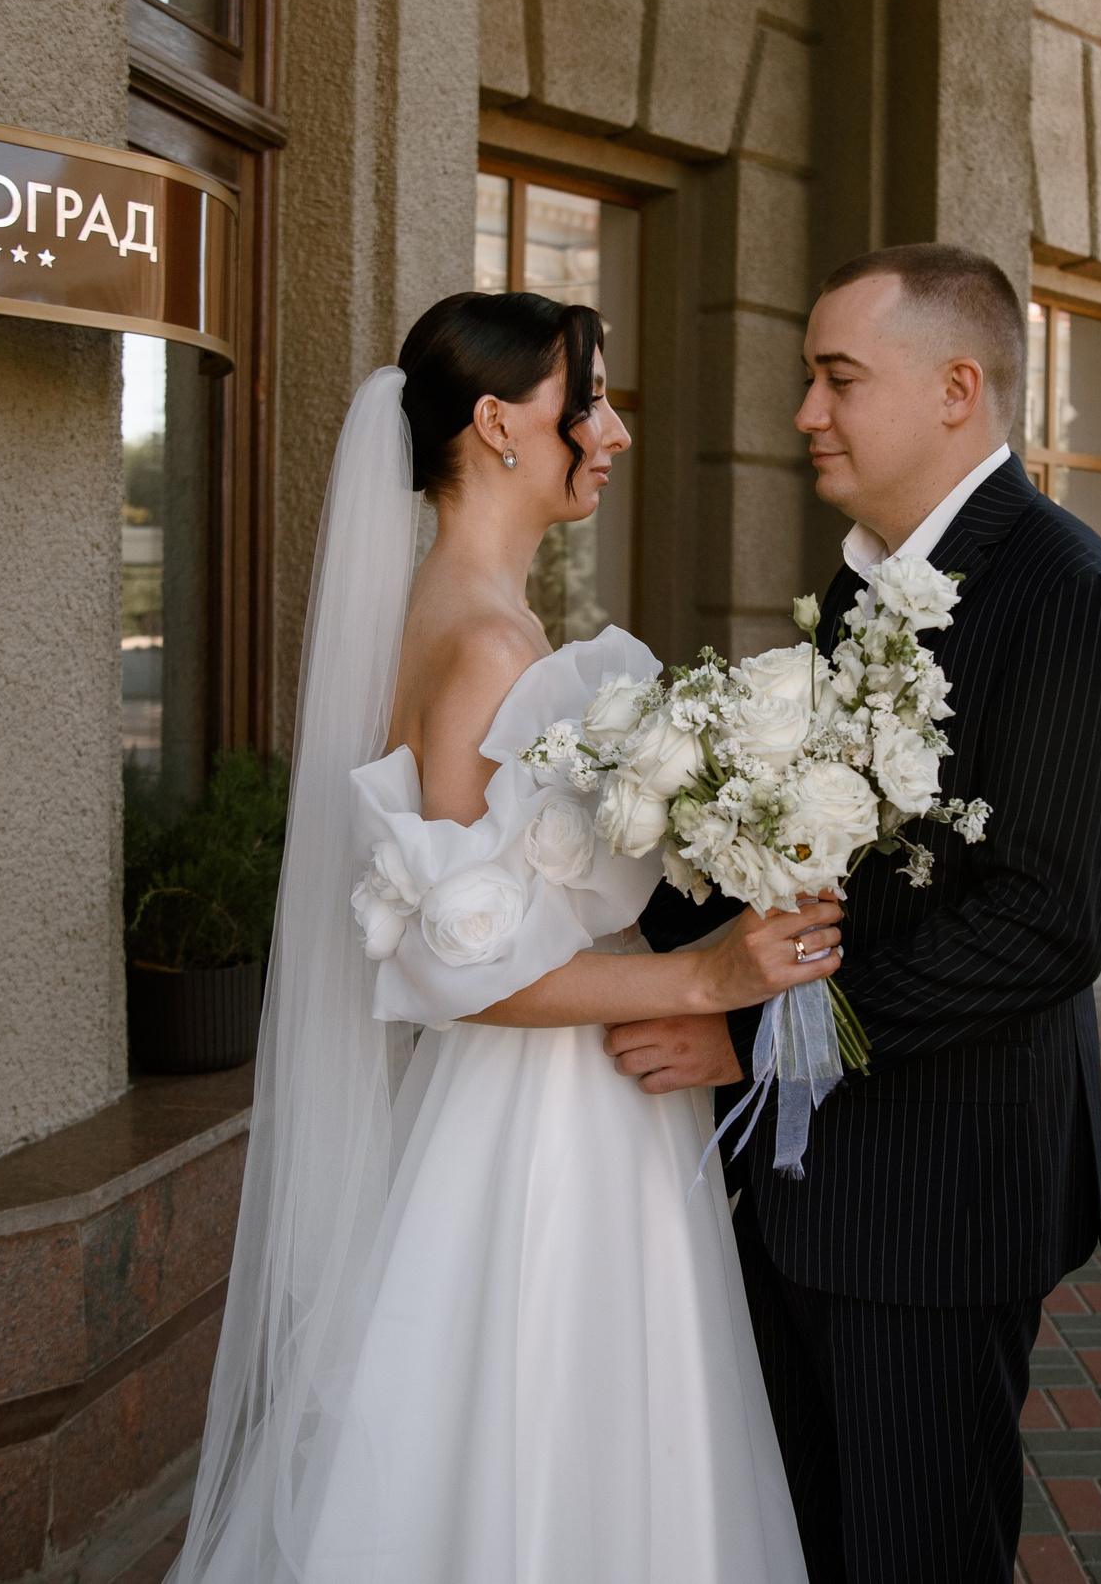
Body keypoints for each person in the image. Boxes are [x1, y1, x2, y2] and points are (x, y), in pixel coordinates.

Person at [172, 291, 828, 1584]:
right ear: (496, 422)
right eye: (587, 400)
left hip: (597, 1101)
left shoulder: (491, 615)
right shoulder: (475, 641)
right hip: (540, 1130)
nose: (613, 433)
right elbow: (462, 967)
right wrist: (705, 974)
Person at [610, 244, 1101, 1584]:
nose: (807, 411)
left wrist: (754, 1041)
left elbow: (1046, 925)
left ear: (958, 388)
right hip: (797, 1183)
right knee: (800, 1535)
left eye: (837, 377)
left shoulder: (1072, 603)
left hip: (937, 1195)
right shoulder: (866, 583)